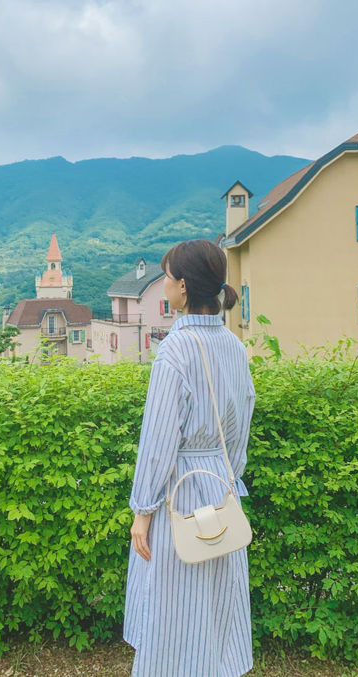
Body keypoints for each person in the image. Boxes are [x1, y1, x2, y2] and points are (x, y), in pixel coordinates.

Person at [123, 239, 255, 677]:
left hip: (179, 491)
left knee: (173, 608)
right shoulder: (235, 347)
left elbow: (158, 439)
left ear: (181, 287)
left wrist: (143, 510)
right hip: (219, 488)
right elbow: (240, 425)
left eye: (166, 276)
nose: (163, 283)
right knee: (216, 609)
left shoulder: (175, 352)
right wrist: (228, 478)